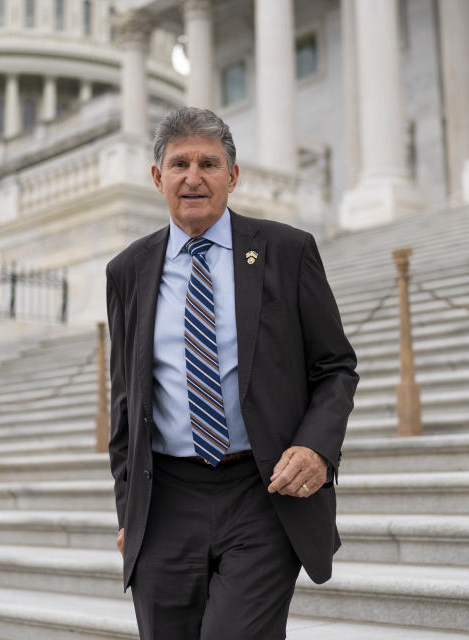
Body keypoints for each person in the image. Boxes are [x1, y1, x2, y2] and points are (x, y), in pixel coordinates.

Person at [106, 106, 359, 640]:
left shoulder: (286, 252)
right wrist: (129, 509)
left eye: (209, 163)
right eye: (179, 164)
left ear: (233, 176)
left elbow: (335, 366)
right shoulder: (127, 271)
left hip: (260, 492)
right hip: (166, 499)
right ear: (157, 178)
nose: (193, 178)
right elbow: (126, 403)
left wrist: (316, 447)